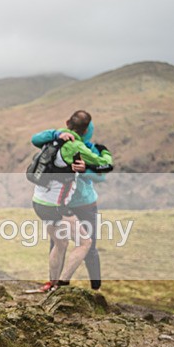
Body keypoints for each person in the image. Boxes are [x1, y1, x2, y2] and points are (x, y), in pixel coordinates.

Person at [29, 110, 112, 292]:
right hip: (60, 205)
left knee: (66, 244)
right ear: (86, 131)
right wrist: (104, 153)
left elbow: (100, 176)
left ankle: (77, 287)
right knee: (82, 243)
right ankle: (61, 284)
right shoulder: (71, 144)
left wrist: (85, 169)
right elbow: (105, 165)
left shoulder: (55, 141)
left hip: (49, 203)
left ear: (68, 123)